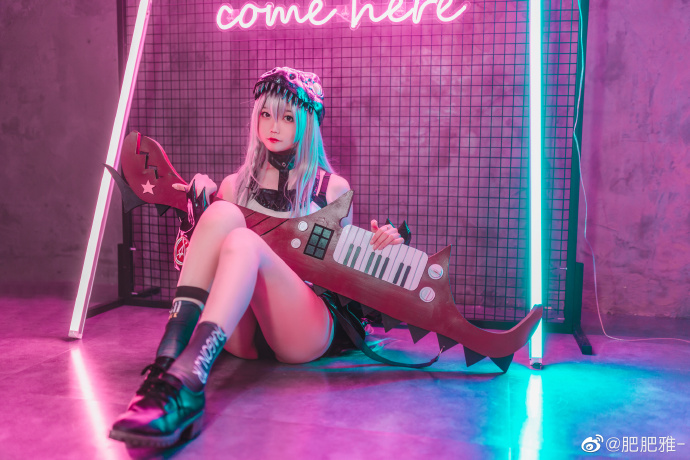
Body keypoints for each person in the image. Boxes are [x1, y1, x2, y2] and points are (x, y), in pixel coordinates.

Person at [109, 67, 404, 447]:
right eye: (266, 114)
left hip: (304, 329)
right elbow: (191, 267)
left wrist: (380, 248)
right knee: (223, 214)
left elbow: (345, 276)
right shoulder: (235, 186)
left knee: (245, 241)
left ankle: (187, 381)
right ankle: (166, 368)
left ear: (307, 124)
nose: (273, 126)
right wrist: (194, 216)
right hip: (241, 334)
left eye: (287, 117)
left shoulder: (332, 189)